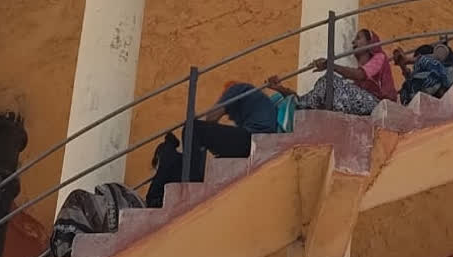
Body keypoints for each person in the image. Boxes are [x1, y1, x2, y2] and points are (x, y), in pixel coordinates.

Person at [147, 81, 279, 207]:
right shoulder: (258, 103)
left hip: (252, 140)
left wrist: (224, 107)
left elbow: (212, 118)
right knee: (208, 146)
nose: (230, 117)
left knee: (193, 128)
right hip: (258, 142)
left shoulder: (236, 89)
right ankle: (193, 176)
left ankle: (192, 181)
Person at [267, 28, 397, 115]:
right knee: (327, 85)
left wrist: (330, 65)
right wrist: (281, 89)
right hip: (368, 106)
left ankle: (300, 105)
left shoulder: (380, 57)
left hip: (381, 107)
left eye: (358, 38)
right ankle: (296, 101)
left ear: (370, 42)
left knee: (331, 81)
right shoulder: (357, 86)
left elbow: (360, 74)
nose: (353, 41)